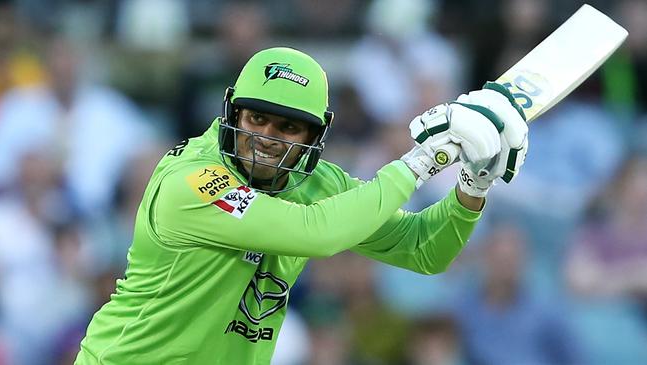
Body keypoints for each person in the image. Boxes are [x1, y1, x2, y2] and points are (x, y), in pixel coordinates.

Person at [74, 47, 528, 364]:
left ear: (316, 136)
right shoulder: (192, 182)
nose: (266, 139)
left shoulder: (314, 182)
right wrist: (423, 160)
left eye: (289, 127)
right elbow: (314, 232)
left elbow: (424, 250)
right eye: (257, 118)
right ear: (233, 113)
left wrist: (473, 182)